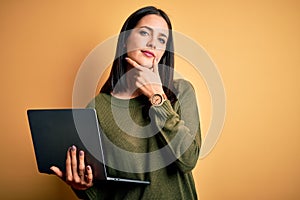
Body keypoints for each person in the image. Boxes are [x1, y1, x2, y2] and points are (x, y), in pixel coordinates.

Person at [51, 6, 202, 200]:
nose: (152, 43)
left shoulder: (181, 91)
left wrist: (158, 98)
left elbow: (188, 160)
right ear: (124, 41)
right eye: (145, 32)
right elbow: (104, 192)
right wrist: (82, 187)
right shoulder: (98, 107)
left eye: (162, 39)